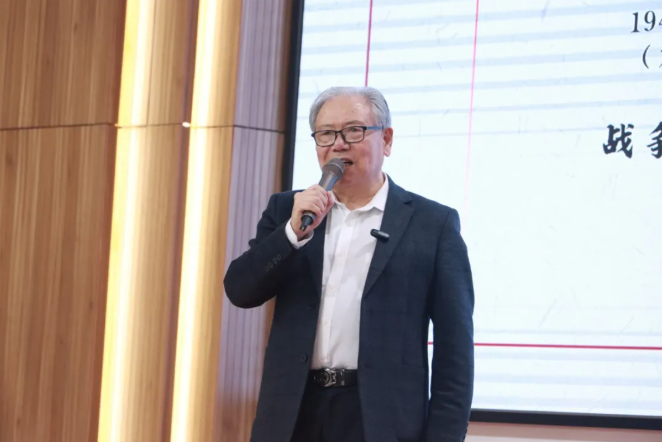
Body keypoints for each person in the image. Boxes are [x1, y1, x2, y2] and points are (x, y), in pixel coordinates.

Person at [224, 86, 475, 442]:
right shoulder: (289, 211)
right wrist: (291, 234)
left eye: (354, 131)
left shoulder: (432, 225)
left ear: (386, 140)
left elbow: (455, 352)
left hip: (380, 420)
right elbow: (240, 290)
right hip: (293, 415)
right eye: (326, 134)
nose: (338, 145)